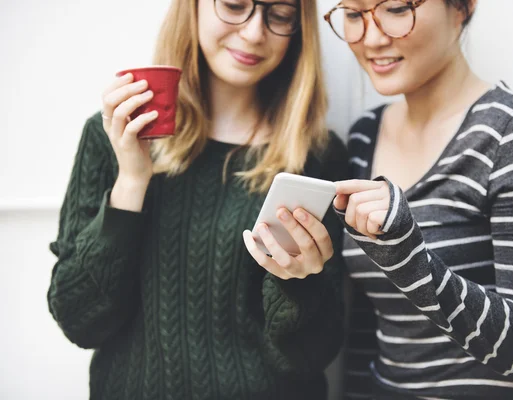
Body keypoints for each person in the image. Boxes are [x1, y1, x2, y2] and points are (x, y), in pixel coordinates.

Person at [47, 1, 348, 399]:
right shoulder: (115, 137)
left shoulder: (317, 157)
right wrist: (132, 181)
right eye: (235, 5)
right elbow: (78, 319)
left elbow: (314, 352)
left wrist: (301, 284)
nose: (255, 32)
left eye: (279, 15)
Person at [323, 0, 513, 399]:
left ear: (462, 7)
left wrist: (407, 256)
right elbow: (367, 329)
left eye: (395, 8)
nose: (371, 38)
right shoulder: (364, 136)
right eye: (354, 15)